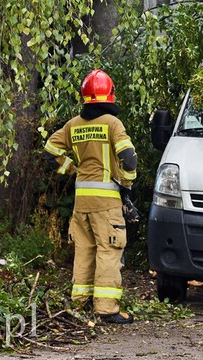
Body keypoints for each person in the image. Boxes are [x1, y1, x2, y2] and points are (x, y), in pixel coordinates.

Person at [44, 69, 137, 325]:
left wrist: (72, 169)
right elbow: (129, 157)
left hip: (81, 201)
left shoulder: (73, 125)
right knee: (109, 250)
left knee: (84, 251)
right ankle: (106, 309)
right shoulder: (112, 123)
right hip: (107, 203)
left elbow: (50, 152)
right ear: (111, 94)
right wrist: (128, 182)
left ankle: (80, 304)